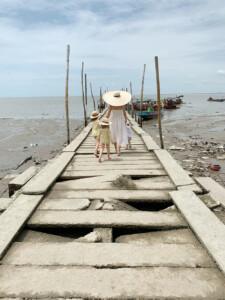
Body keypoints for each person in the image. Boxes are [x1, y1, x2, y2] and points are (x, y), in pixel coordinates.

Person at [104, 91, 131, 156]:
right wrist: (126, 120)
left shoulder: (111, 105)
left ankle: (116, 150)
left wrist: (104, 119)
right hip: (120, 121)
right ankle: (118, 150)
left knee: (114, 135)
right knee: (119, 135)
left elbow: (107, 115)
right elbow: (125, 114)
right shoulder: (122, 105)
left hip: (112, 121)